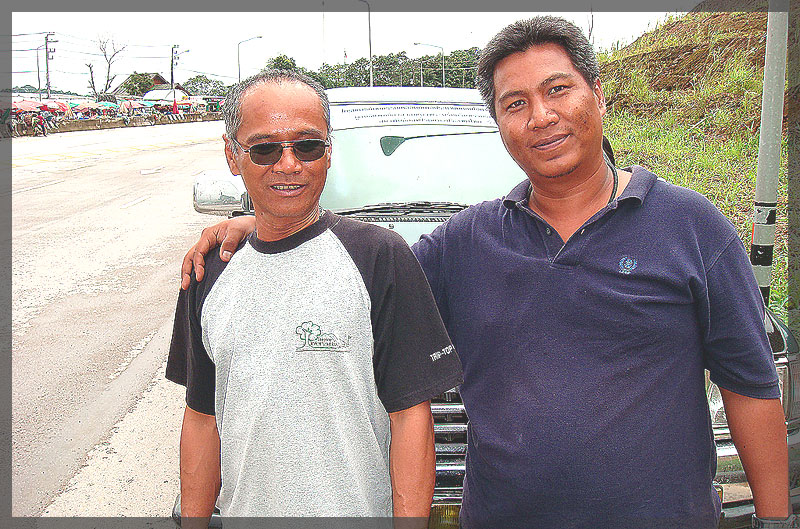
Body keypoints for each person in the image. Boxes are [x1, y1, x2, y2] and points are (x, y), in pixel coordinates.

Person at [180, 17, 792, 529]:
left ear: (598, 95)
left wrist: (773, 518)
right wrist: (269, 224)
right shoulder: (463, 245)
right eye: (515, 103)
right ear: (499, 123)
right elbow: (354, 276)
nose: (541, 116)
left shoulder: (693, 228)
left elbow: (751, 387)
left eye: (558, 90)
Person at [166, 69, 462, 524]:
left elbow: (410, 418)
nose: (288, 165)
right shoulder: (209, 271)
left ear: (328, 151)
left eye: (307, 146)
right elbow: (202, 418)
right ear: (232, 155)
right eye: (265, 149)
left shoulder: (379, 257)